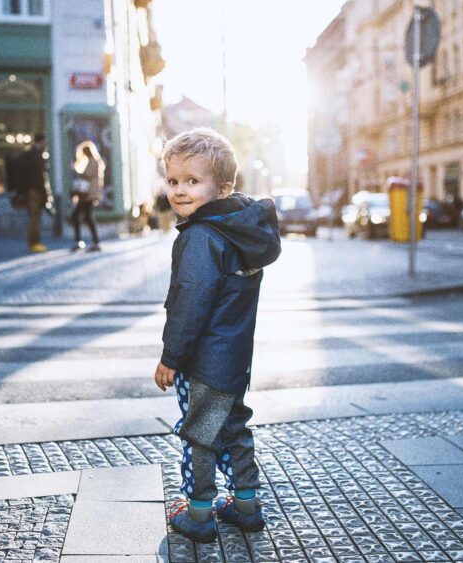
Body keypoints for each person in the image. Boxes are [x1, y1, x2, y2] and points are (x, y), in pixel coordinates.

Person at [153, 128, 281, 543]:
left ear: (223, 186)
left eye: (193, 181)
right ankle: (246, 505)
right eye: (173, 181)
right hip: (234, 357)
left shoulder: (200, 237)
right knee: (233, 429)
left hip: (204, 359)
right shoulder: (238, 231)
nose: (180, 191)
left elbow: (191, 302)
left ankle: (199, 513)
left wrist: (171, 356)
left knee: (199, 434)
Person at [70, 140, 104, 252]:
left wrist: (75, 168)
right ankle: (91, 241)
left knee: (82, 216)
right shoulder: (93, 161)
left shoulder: (93, 161)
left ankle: (90, 241)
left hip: (88, 195)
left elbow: (86, 175)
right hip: (88, 194)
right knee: (86, 217)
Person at [24, 134, 51, 253]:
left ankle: (34, 243)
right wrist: (45, 193)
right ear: (42, 141)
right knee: (35, 218)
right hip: (36, 190)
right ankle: (34, 243)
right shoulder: (36, 154)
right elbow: (39, 176)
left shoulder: (30, 153)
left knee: (34, 217)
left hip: (31, 189)